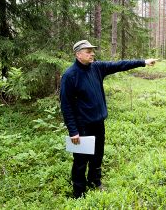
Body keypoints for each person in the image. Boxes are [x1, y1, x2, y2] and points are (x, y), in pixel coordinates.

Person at [60, 40, 157, 198]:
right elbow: (66, 106)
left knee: (97, 155)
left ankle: (94, 181)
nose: (92, 54)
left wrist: (143, 62)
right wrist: (73, 131)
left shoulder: (97, 68)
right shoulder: (70, 76)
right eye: (88, 51)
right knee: (80, 160)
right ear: (78, 54)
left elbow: (119, 65)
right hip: (82, 125)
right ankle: (78, 192)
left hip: (98, 122)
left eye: (92, 51)